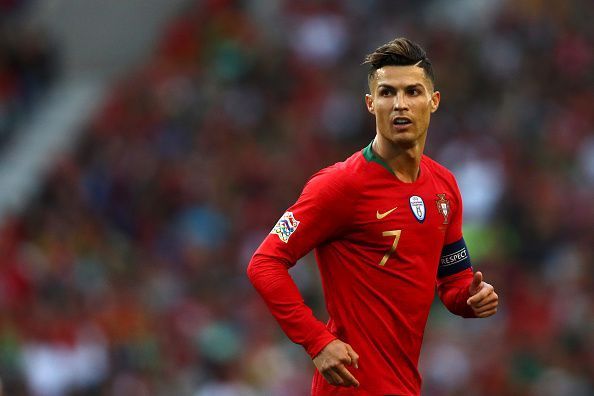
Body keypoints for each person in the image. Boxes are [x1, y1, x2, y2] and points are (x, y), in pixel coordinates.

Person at [247, 37, 499, 395]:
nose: (400, 104)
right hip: (352, 386)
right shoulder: (339, 186)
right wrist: (317, 341)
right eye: (386, 93)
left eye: (413, 91)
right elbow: (264, 263)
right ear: (370, 104)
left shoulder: (444, 187)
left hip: (405, 385)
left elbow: (453, 282)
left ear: (434, 101)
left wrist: (472, 299)